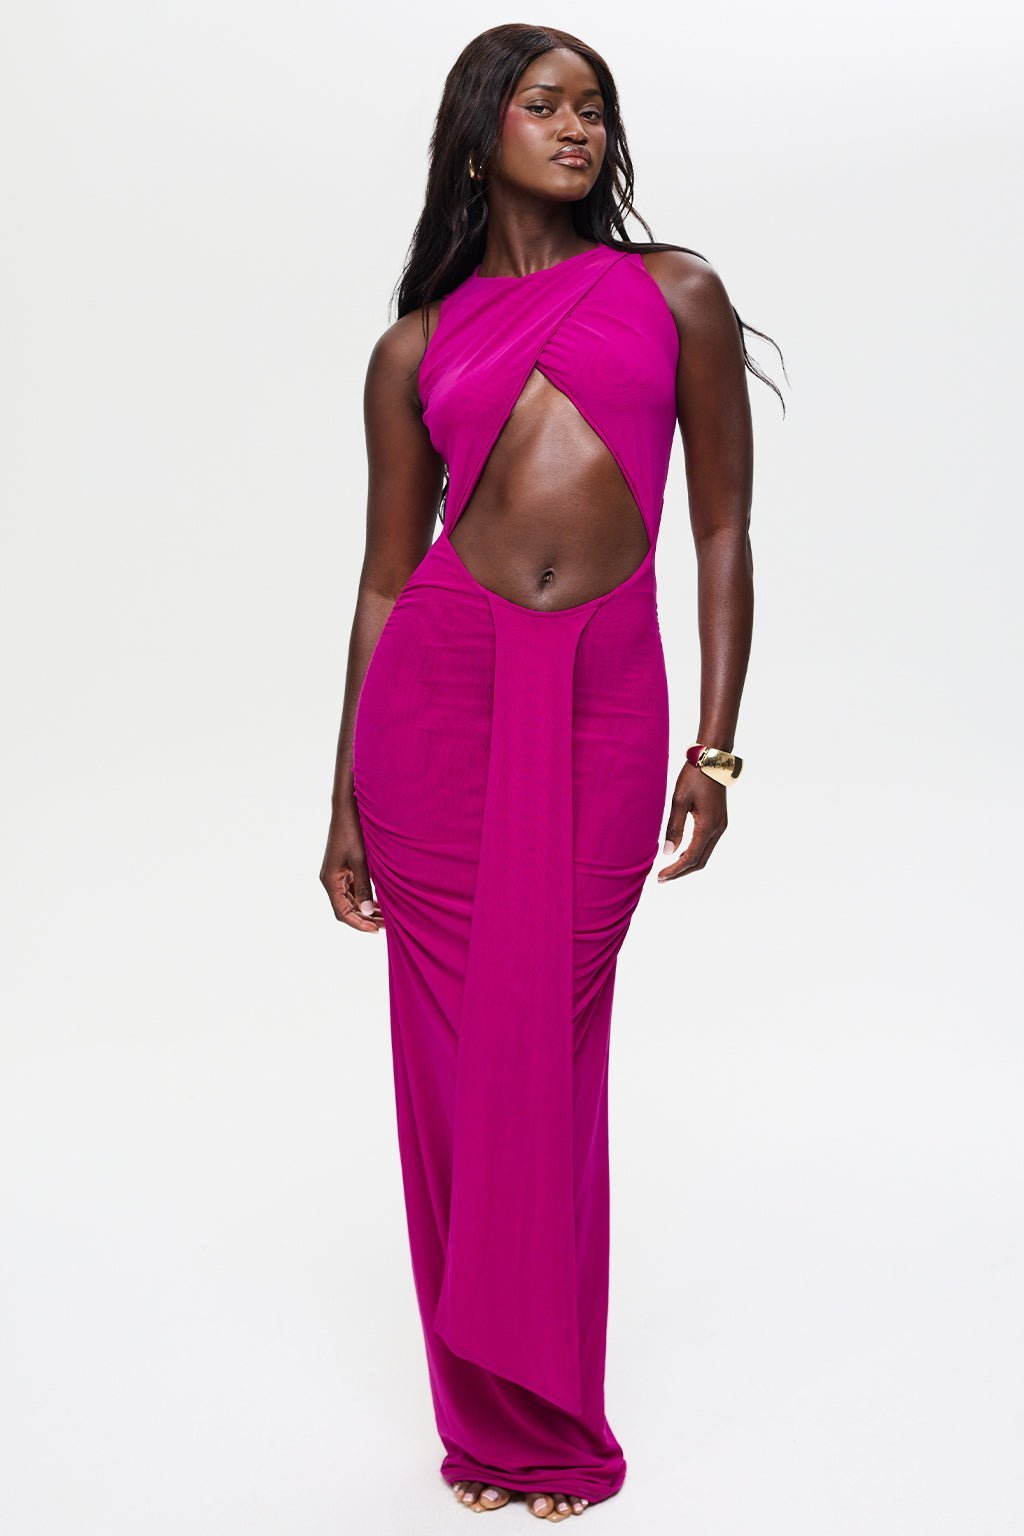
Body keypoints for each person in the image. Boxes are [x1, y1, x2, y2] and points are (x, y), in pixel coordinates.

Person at [320, 22, 781, 1523]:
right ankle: (486, 1427)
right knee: (456, 1073)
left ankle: (554, 1417)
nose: (579, 129)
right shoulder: (414, 348)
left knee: (554, 1048)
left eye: (595, 109)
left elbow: (723, 527)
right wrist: (341, 802)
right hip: (438, 708)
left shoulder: (675, 293)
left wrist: (717, 745)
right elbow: (384, 581)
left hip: (601, 702)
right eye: (546, 105)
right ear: (482, 136)